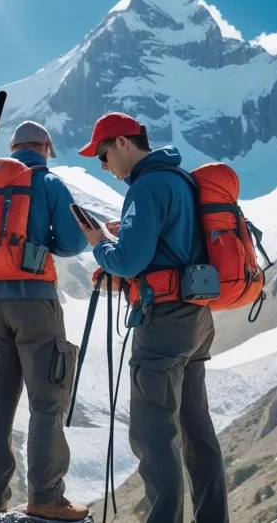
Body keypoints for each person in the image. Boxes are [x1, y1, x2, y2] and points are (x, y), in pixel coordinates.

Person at [76, 112, 229, 523]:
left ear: (124, 143)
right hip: (196, 317)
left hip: (162, 323)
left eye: (104, 155)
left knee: (153, 433)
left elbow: (127, 261)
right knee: (197, 429)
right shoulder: (180, 180)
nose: (104, 166)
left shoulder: (145, 187)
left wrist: (98, 244)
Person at [0, 120, 91, 521]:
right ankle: (46, 496)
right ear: (45, 147)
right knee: (46, 402)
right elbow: (73, 242)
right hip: (37, 304)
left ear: (12, 148)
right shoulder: (49, 183)